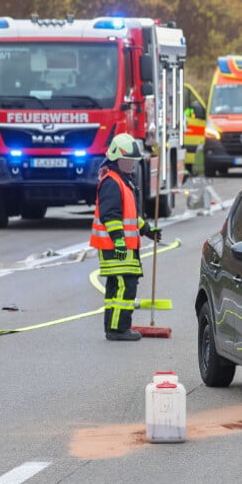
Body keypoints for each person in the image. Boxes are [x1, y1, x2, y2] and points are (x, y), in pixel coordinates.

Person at [90, 133, 161, 342]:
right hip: (117, 248)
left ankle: (114, 327)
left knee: (117, 287)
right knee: (125, 287)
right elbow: (111, 216)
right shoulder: (112, 182)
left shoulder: (122, 181)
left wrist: (147, 230)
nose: (132, 164)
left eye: (133, 160)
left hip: (121, 246)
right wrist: (119, 241)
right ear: (117, 159)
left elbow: (129, 215)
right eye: (128, 160)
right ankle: (119, 329)